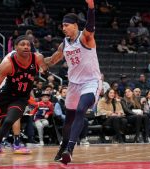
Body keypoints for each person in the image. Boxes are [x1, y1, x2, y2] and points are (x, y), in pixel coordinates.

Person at [0, 35, 47, 165]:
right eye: (22, 44)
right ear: (15, 47)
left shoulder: (37, 58)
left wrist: (50, 64)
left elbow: (47, 65)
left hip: (20, 98)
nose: (26, 46)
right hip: (5, 95)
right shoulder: (8, 63)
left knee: (9, 121)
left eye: (28, 44)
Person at [44, 0, 101, 164]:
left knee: (81, 110)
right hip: (74, 85)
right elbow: (52, 60)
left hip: (90, 82)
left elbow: (90, 26)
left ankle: (70, 149)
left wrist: (91, 7)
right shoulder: (64, 44)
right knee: (68, 119)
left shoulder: (85, 37)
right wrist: (39, 61)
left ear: (75, 25)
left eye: (66, 25)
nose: (63, 28)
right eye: (62, 26)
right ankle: (63, 147)